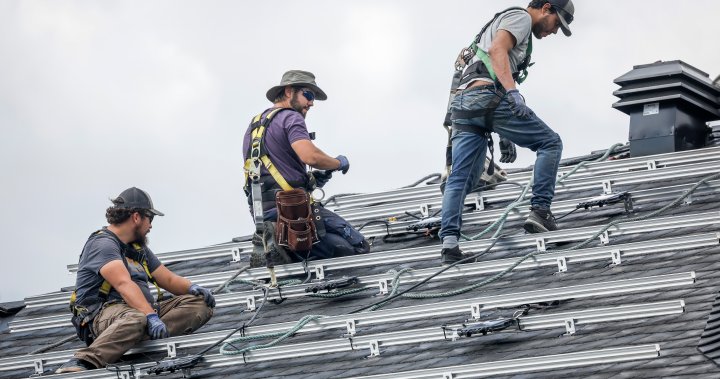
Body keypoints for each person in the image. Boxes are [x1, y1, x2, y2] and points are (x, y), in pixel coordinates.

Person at [440, 0, 574, 264]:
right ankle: (540, 211)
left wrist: (504, 132)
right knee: (550, 144)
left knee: (460, 178)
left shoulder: (498, 22)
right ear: (546, 8)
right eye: (557, 23)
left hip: (465, 105)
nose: (554, 31)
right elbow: (497, 50)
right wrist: (513, 92)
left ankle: (449, 245)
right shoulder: (521, 19)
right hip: (488, 96)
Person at [56, 187, 215, 373]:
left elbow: (168, 279)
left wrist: (193, 288)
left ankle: (130, 339)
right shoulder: (103, 244)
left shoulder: (137, 249)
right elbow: (124, 284)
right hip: (104, 315)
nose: (151, 226)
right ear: (136, 217)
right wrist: (151, 316)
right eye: (150, 218)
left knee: (199, 304)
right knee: (136, 318)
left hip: (141, 313)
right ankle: (83, 361)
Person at [243, 70, 370, 267]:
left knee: (313, 249)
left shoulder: (255, 126)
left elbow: (271, 171)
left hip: (263, 214)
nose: (311, 103)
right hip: (293, 213)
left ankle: (279, 245)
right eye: (308, 95)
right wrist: (338, 163)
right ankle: (285, 246)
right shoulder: (291, 118)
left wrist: (310, 180)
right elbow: (310, 156)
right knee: (357, 247)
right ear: (288, 92)